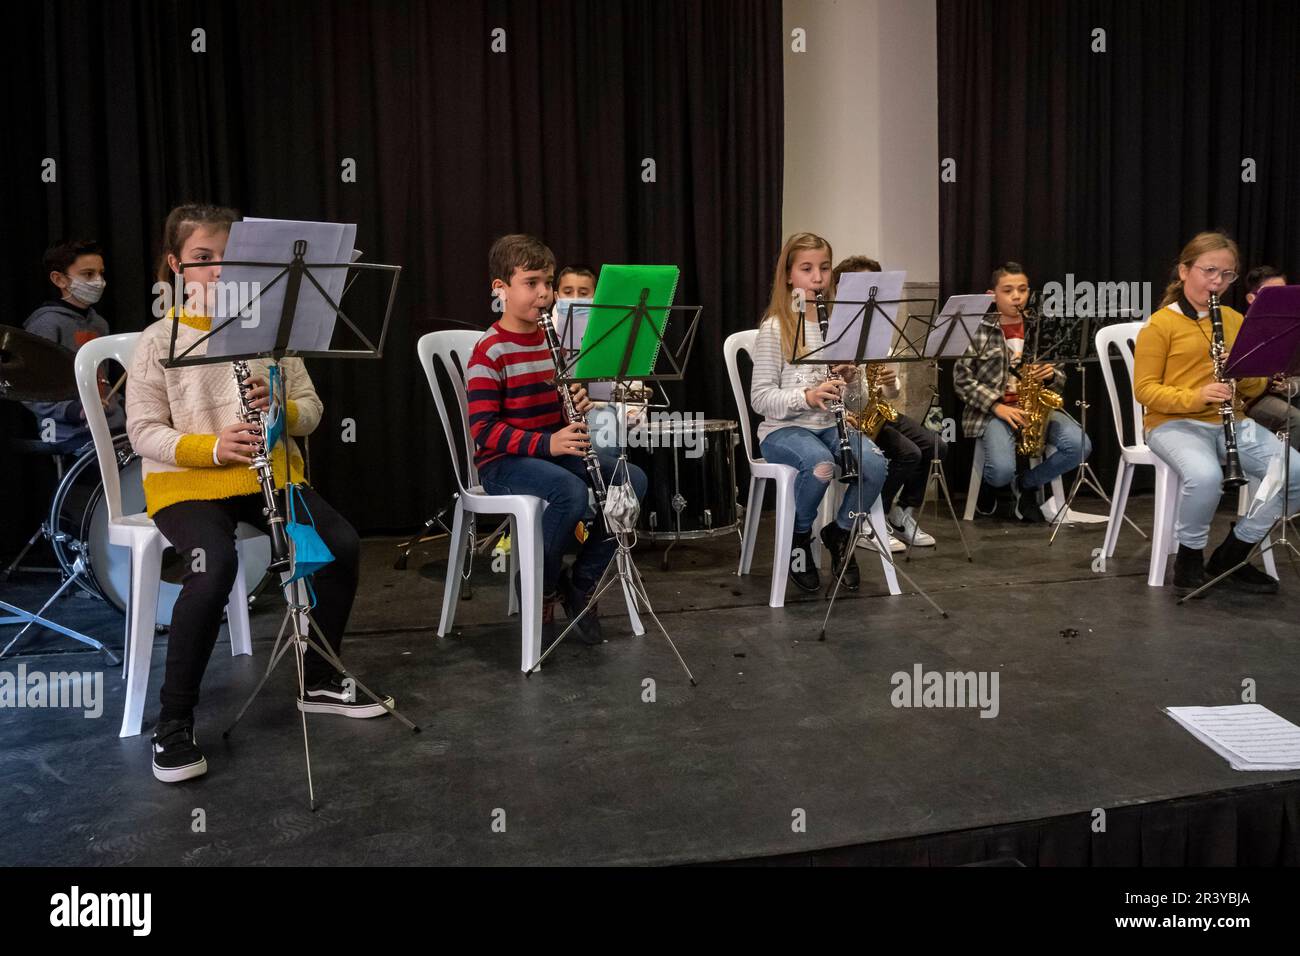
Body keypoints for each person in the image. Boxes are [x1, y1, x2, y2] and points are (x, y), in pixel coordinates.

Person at [127, 203, 386, 784]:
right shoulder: (157, 339)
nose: (219, 272)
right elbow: (143, 432)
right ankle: (172, 723)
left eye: (232, 259)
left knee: (340, 544)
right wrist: (213, 447)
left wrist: (281, 410)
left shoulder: (273, 333)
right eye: (202, 260)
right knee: (212, 563)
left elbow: (313, 413)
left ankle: (317, 680)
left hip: (271, 474)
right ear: (175, 266)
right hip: (188, 483)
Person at [469, 235, 647, 644]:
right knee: (568, 491)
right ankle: (541, 586)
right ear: (500, 289)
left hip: (549, 451)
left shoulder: (555, 345)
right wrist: (547, 444)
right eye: (531, 283)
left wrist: (576, 404)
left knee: (631, 480)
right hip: (503, 462)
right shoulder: (489, 352)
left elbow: (559, 408)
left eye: (547, 283)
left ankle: (580, 581)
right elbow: (484, 430)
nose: (544, 294)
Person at [1135, 231, 1300, 596]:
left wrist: (1243, 371)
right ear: (1183, 271)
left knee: (1296, 473)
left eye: (1227, 275)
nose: (1217, 282)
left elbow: (1255, 389)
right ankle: (1189, 560)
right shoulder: (1161, 324)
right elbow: (1144, 390)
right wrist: (1196, 396)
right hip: (1172, 423)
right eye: (1209, 271)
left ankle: (1232, 553)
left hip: (1232, 421)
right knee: (1206, 476)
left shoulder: (1234, 319)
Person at [749, 232, 889, 592]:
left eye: (824, 269)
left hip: (829, 425)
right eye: (807, 269)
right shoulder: (775, 328)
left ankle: (840, 532)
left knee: (874, 463)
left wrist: (852, 378)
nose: (818, 278)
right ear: (788, 277)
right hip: (783, 430)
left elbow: (856, 403)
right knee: (820, 464)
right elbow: (761, 399)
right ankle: (800, 536)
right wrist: (807, 396)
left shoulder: (843, 327)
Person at [954, 262, 1091, 522]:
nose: (1017, 296)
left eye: (1022, 289)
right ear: (991, 295)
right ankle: (992, 484)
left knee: (1079, 445)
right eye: (1008, 290)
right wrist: (997, 406)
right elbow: (962, 380)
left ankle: (1026, 484)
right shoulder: (977, 329)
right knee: (1001, 471)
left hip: (1035, 408)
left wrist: (1051, 375)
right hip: (993, 412)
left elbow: (1060, 378)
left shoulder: (1042, 327)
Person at [833, 254, 948, 549]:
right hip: (851, 417)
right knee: (909, 453)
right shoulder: (835, 332)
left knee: (936, 445)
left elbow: (892, 392)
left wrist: (892, 382)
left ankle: (902, 512)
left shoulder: (879, 332)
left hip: (878, 411)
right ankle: (871, 518)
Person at [23, 238, 124, 450]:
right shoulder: (46, 323)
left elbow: (103, 380)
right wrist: (71, 410)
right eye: (88, 274)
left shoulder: (99, 323)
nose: (99, 281)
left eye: (101, 273)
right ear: (59, 280)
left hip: (112, 426)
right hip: (69, 434)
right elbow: (26, 388)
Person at [1240, 265, 1300, 450]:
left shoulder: (1293, 327)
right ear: (1252, 298)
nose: (1280, 299)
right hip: (1253, 398)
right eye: (1272, 293)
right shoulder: (1240, 327)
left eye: (1283, 293)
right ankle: (1280, 475)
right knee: (1295, 420)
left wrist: (1291, 387)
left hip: (1287, 394)